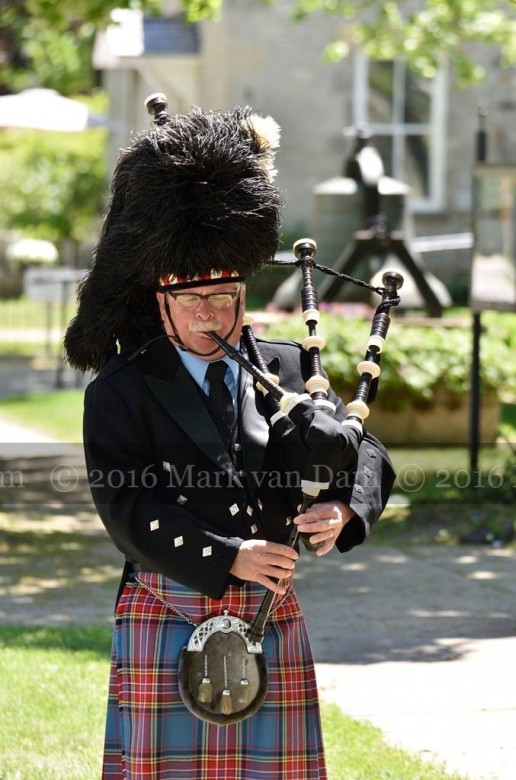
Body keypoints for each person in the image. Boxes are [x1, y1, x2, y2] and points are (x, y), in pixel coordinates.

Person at [64, 99, 395, 780]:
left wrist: (344, 508)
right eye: (193, 302)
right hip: (168, 601)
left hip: (268, 608)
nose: (213, 315)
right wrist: (228, 555)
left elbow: (365, 454)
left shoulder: (291, 368)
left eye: (226, 296)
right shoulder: (121, 390)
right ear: (161, 299)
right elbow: (128, 513)